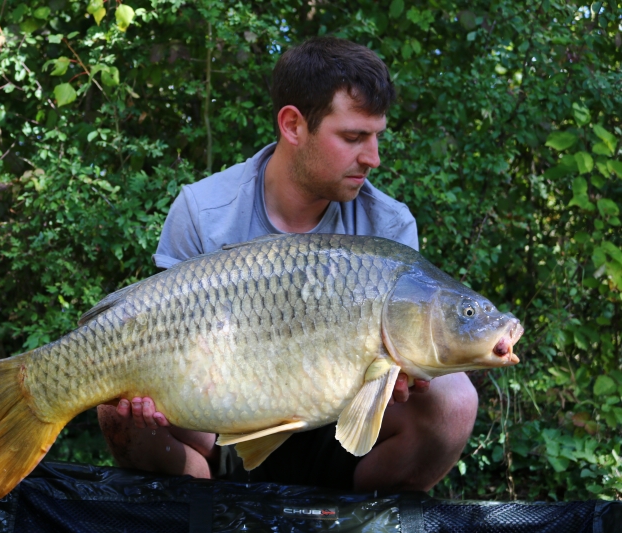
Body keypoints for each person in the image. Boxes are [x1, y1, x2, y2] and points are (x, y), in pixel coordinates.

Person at [97, 37, 478, 493]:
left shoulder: (388, 226)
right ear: (293, 125)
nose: (372, 158)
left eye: (376, 136)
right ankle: (202, 512)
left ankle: (360, 520)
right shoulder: (204, 211)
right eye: (354, 137)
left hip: (342, 432)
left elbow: (400, 371)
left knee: (455, 398)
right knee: (116, 407)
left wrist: (403, 375)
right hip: (222, 425)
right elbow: (162, 340)